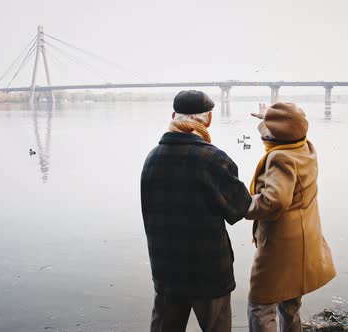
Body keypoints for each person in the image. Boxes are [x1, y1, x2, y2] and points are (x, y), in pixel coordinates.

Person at [141, 90, 252, 332]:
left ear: (173, 115)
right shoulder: (213, 159)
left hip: (166, 270)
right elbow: (240, 208)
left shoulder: (152, 158)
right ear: (208, 120)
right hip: (210, 271)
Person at [246, 102, 336, 332]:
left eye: (269, 125)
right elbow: (282, 131)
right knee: (290, 303)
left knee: (260, 304)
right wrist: (269, 117)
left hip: (281, 246)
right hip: (304, 240)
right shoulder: (305, 148)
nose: (265, 129)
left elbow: (272, 202)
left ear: (277, 132)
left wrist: (240, 204)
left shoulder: (280, 158)